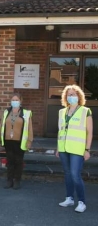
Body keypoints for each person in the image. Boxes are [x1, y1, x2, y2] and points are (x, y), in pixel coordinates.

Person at [56, 85, 92, 213]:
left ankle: (81, 201)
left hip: (77, 149)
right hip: (63, 148)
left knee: (75, 175)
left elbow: (89, 132)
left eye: (74, 94)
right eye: (69, 95)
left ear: (79, 96)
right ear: (65, 97)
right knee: (67, 174)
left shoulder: (85, 111)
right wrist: (57, 148)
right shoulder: (62, 112)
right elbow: (60, 131)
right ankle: (69, 198)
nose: (71, 97)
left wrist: (87, 149)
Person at [0, 93, 33, 190]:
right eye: (13, 100)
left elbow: (29, 128)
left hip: (20, 141)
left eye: (16, 100)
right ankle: (9, 180)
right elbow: (1, 125)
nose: (14, 101)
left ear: (20, 101)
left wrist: (29, 141)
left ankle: (17, 180)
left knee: (18, 161)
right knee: (10, 161)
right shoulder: (6, 112)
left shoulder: (26, 113)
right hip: (8, 140)